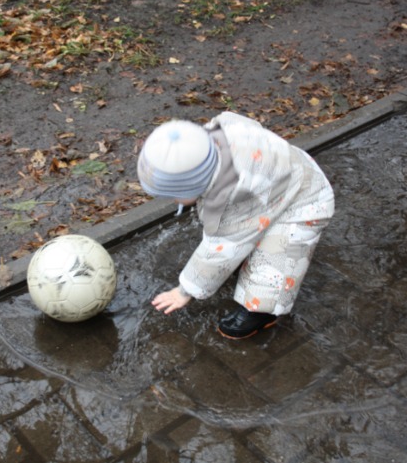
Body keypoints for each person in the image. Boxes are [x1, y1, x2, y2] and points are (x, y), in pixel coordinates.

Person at [137, 112, 334, 339]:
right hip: (289, 174)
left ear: (196, 185)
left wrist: (185, 291)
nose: (173, 201)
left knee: (276, 259)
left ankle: (261, 311)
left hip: (304, 205)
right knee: (248, 234)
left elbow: (221, 250)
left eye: (175, 196)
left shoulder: (234, 197)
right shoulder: (215, 135)